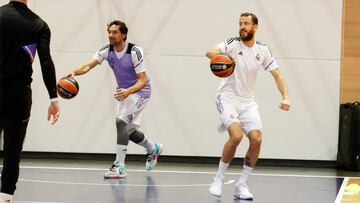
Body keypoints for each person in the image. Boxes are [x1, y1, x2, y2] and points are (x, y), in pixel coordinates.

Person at [206, 12, 290, 200]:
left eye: (246, 23)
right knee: (236, 137)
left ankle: (241, 185)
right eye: (240, 23)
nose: (242, 26)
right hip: (227, 98)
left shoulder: (263, 50)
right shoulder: (232, 43)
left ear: (255, 27)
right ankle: (218, 180)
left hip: (248, 102)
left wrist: (285, 97)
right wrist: (223, 57)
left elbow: (277, 75)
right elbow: (210, 52)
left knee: (256, 140)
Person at [63, 20, 163, 178]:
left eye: (115, 32)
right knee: (128, 131)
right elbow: (89, 65)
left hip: (140, 91)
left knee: (120, 122)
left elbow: (143, 80)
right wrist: (74, 72)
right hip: (125, 93)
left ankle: (119, 167)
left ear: (123, 35)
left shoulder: (135, 51)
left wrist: (128, 91)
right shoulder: (106, 50)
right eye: (109, 32)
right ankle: (152, 147)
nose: (110, 35)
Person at [0, 0, 60, 202]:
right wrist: (54, 97)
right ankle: (5, 196)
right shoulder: (39, 25)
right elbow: (45, 61)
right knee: (12, 148)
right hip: (18, 94)